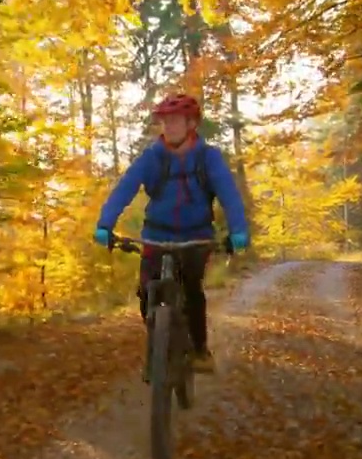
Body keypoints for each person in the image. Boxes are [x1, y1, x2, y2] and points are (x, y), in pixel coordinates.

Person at [93, 93, 250, 374]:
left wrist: (239, 231)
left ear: (191, 124)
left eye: (176, 121)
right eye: (165, 121)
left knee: (192, 291)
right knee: (146, 292)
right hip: (156, 233)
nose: (169, 126)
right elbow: (125, 189)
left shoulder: (208, 158)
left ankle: (200, 350)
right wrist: (105, 224)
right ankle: (158, 345)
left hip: (196, 236)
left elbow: (229, 194)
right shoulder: (152, 157)